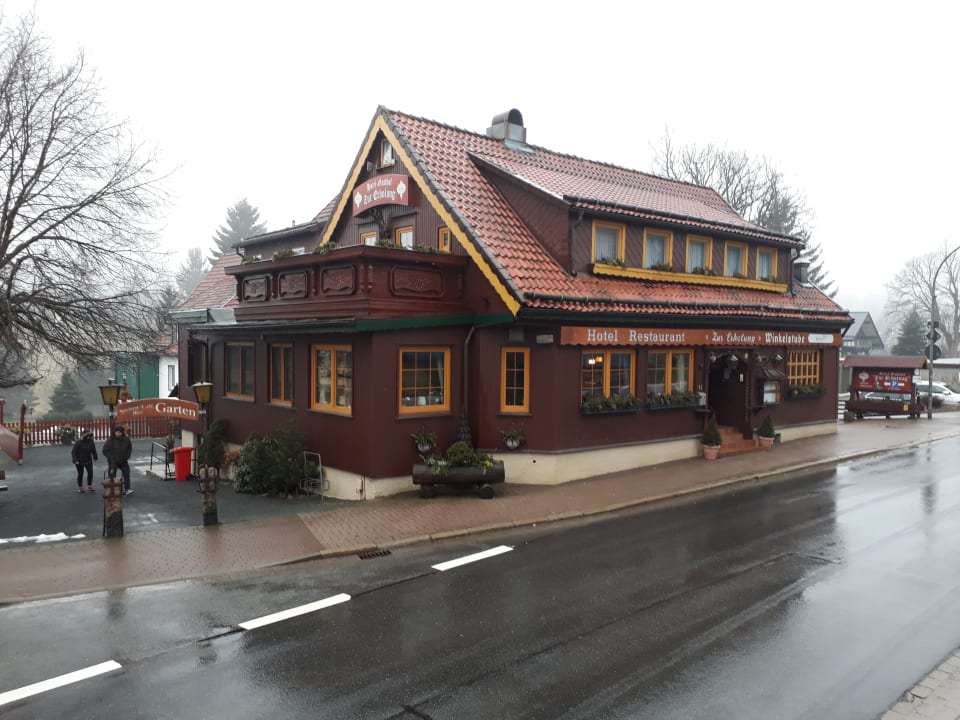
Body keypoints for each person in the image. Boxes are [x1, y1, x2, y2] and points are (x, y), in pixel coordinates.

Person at [103, 425, 134, 496]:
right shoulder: (110, 440)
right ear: (114, 432)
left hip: (123, 461)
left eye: (119, 432)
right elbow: (105, 450)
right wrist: (111, 458)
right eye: (116, 432)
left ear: (122, 433)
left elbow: (129, 449)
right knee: (112, 475)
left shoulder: (126, 440)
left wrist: (126, 457)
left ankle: (127, 489)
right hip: (113, 462)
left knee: (126, 474)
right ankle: (112, 490)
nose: (117, 433)